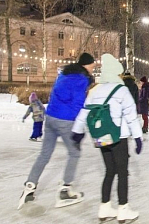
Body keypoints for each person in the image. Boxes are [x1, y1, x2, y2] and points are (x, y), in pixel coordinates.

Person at [18, 52, 96, 210]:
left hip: (51, 118)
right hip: (66, 120)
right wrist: (79, 126)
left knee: (44, 154)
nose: (93, 69)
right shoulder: (81, 79)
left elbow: (55, 96)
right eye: (92, 66)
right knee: (74, 153)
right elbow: (78, 103)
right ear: (85, 65)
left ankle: (30, 185)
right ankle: (65, 190)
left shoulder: (63, 75)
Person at [73, 54, 143, 224]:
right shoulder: (122, 90)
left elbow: (84, 111)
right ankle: (123, 209)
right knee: (122, 173)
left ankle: (104, 206)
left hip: (101, 137)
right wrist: (138, 136)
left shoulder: (95, 89)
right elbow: (131, 116)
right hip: (118, 136)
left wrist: (77, 130)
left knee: (109, 171)